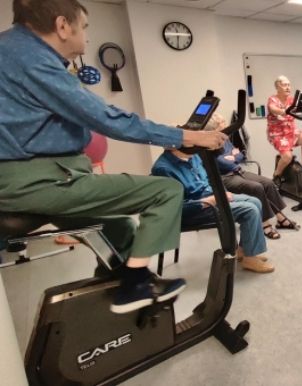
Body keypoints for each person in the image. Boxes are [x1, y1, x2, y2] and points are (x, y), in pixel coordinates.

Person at [0, 0, 227, 314]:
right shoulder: (33, 59)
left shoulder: (9, 51)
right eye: (85, 27)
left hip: (35, 178)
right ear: (63, 26)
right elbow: (106, 118)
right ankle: (134, 284)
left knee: (120, 228)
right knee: (165, 191)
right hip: (44, 180)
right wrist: (187, 135)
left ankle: (110, 292)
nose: (87, 37)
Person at [151, 148, 275, 274]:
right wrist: (212, 200)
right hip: (195, 210)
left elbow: (208, 181)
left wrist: (221, 193)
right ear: (174, 145)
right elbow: (175, 207)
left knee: (255, 202)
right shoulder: (163, 169)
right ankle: (250, 259)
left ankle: (245, 251)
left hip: (212, 198)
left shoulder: (193, 156)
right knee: (250, 210)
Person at [209, 112, 300, 239]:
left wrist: (232, 156)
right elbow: (223, 163)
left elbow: (240, 155)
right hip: (225, 178)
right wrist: (232, 156)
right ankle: (265, 224)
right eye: (222, 124)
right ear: (215, 128)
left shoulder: (225, 139)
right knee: (256, 187)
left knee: (268, 183)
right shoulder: (209, 144)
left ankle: (280, 218)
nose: (226, 126)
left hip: (238, 171)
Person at [267, 75, 302, 181]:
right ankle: (276, 176)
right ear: (278, 87)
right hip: (278, 133)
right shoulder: (272, 100)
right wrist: (283, 111)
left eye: (289, 85)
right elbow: (273, 109)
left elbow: (301, 106)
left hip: (292, 131)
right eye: (285, 85)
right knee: (287, 157)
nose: (288, 87)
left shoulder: (291, 100)